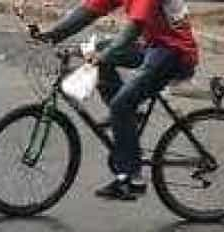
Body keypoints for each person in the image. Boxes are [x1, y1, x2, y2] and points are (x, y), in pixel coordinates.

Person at [32, 0, 200, 202]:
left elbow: (135, 27)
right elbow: (90, 10)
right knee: (96, 51)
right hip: (152, 46)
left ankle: (132, 178)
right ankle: (129, 116)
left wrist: (104, 55)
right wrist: (52, 35)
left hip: (174, 52)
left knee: (120, 102)